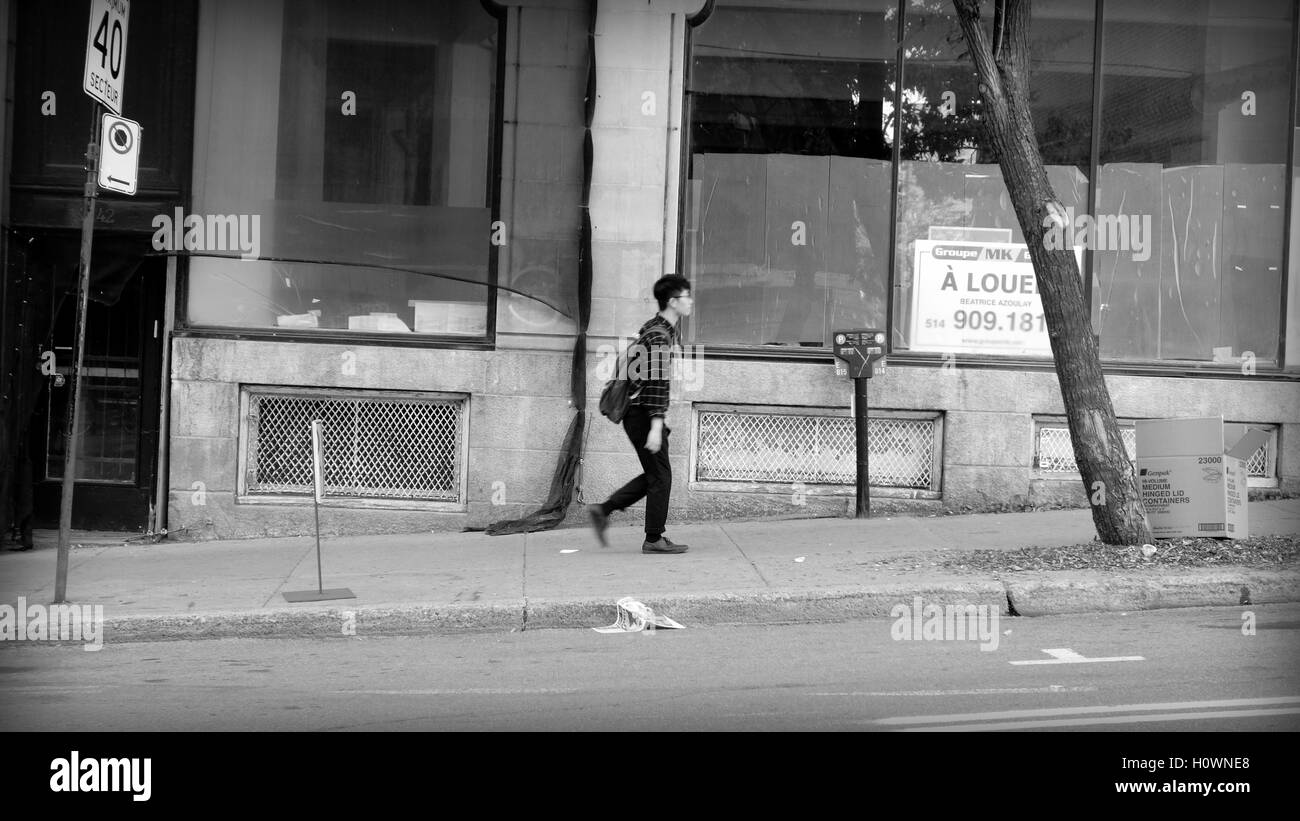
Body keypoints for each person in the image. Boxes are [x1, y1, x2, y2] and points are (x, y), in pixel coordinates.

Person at [588, 275, 693, 554]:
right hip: (643, 414)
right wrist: (656, 426)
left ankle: (604, 510)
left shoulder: (654, 327)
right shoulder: (659, 335)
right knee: (661, 477)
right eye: (686, 296)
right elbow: (657, 383)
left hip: (638, 413)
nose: (691, 301)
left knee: (654, 474)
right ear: (673, 302)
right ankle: (653, 538)